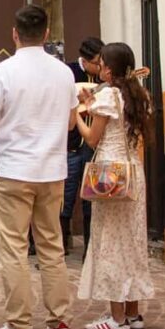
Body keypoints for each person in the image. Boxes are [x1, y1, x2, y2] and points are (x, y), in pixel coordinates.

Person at [0, 5, 77, 329]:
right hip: (52, 170)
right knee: (52, 246)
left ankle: (19, 325)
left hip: (13, 171)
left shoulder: (1, 71)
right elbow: (71, 122)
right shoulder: (64, 73)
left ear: (14, 33)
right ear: (46, 34)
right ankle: (59, 320)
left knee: (14, 249)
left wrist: (1, 119)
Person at [75, 42, 155, 329]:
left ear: (109, 68)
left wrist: (77, 119)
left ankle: (116, 318)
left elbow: (93, 139)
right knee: (132, 241)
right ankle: (133, 314)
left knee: (109, 242)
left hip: (109, 173)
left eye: (103, 63)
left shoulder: (108, 94)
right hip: (133, 171)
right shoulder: (138, 94)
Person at [62, 37, 104, 257]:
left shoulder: (104, 79)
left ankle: (90, 250)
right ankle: (60, 247)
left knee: (90, 198)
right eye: (97, 63)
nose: (100, 67)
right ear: (86, 62)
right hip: (70, 145)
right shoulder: (68, 72)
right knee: (65, 199)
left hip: (92, 146)